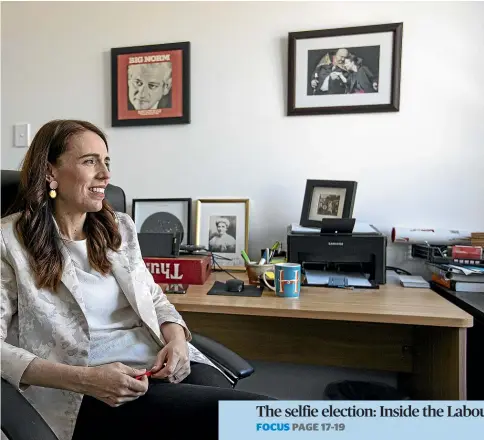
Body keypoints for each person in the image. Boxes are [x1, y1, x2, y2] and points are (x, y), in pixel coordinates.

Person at [1, 120, 271, 440]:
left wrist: (177, 339)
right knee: (262, 420)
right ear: (51, 172)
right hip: (91, 391)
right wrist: (86, 379)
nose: (105, 173)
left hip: (156, 363)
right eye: (90, 161)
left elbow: (153, 297)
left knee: (251, 416)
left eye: (107, 161)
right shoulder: (9, 242)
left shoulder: (119, 228)